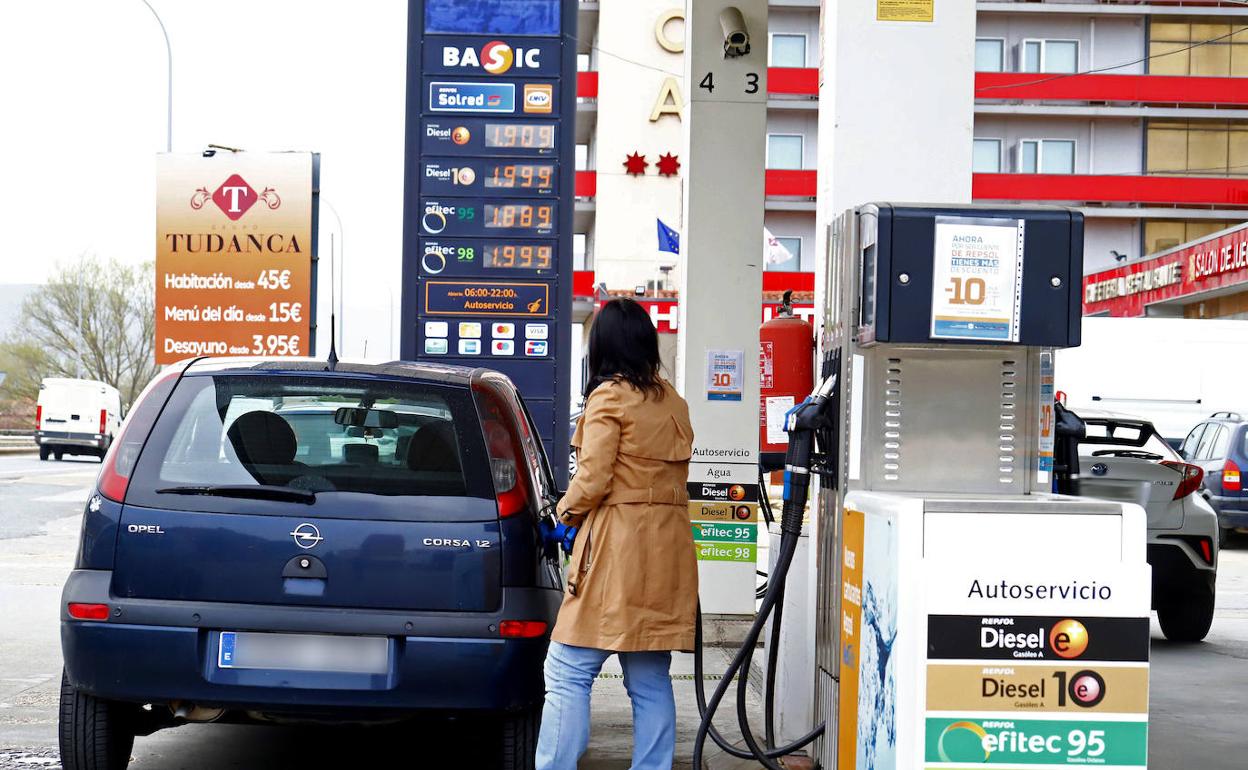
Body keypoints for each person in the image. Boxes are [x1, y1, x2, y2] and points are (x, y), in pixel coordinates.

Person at [536, 298, 698, 770]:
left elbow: (592, 479)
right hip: (667, 550)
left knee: (567, 671)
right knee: (649, 678)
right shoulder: (672, 400)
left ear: (602, 347)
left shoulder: (609, 396)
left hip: (616, 548)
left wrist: (561, 516)